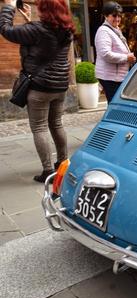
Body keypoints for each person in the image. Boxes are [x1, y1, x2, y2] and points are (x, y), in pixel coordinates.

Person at [0, 0, 74, 183]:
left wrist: (8, 6)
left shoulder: (36, 29)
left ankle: (48, 170)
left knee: (40, 127)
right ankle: (63, 162)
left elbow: (5, 29)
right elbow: (42, 38)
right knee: (56, 124)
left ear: (45, 11)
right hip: (60, 85)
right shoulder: (67, 29)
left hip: (40, 87)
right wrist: (29, 21)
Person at [94, 1, 136, 103]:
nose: (117, 19)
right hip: (110, 77)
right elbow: (106, 54)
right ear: (106, 16)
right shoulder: (104, 31)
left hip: (116, 76)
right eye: (114, 16)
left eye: (119, 16)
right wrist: (127, 58)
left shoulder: (114, 29)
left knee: (116, 104)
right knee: (115, 105)